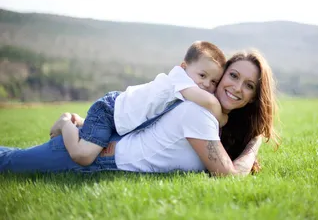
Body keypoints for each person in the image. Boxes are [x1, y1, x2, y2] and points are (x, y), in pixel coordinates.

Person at [0, 50, 280, 176]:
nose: (237, 87)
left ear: (255, 96)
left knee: (10, 159)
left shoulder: (204, 112)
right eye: (233, 75)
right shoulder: (200, 112)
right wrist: (255, 143)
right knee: (9, 163)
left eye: (249, 85)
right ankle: (65, 124)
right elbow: (229, 177)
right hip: (98, 161)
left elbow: (147, 120)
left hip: (105, 151)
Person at [50, 41, 227, 166]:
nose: (206, 84)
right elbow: (211, 103)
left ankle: (81, 121)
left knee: (99, 136)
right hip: (109, 111)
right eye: (202, 75)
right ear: (184, 67)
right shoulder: (179, 80)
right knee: (83, 155)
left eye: (214, 82)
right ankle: (66, 123)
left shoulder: (187, 84)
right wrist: (223, 117)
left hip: (121, 115)